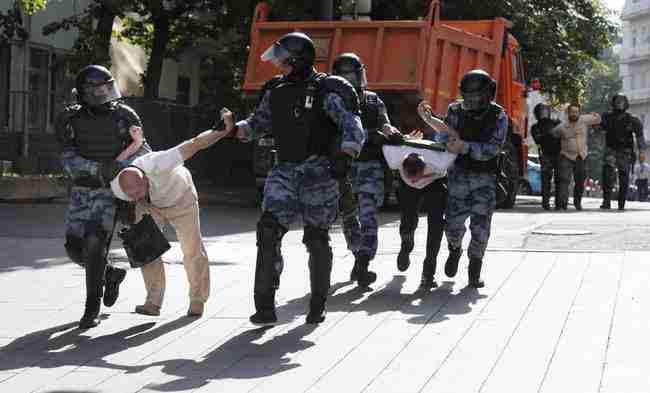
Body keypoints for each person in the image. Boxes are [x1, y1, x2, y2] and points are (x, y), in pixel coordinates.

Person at [229, 32, 366, 325]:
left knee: (316, 238)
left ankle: (317, 305)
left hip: (319, 172)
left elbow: (352, 125)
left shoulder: (326, 90)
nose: (279, 67)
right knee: (268, 231)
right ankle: (265, 306)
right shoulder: (275, 90)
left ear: (299, 60)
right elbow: (257, 124)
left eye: (283, 61)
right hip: (284, 170)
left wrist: (346, 154)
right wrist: (233, 129)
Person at [111, 110, 233, 317]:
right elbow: (125, 184)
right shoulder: (120, 185)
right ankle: (153, 302)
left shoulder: (160, 162)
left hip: (181, 199)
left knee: (192, 249)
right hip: (151, 206)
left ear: (146, 179)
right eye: (131, 196)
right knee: (145, 248)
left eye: (138, 193)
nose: (134, 197)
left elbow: (195, 144)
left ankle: (197, 299)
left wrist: (222, 131)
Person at [55, 65, 151, 328]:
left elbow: (143, 151)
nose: (104, 93)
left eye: (107, 87)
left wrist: (121, 168)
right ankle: (110, 274)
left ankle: (91, 308)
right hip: (81, 191)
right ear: (84, 93)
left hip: (109, 192)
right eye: (97, 90)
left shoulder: (125, 115)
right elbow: (66, 156)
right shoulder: (69, 119)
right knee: (75, 250)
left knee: (96, 242)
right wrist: (95, 168)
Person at [331, 52, 403, 287]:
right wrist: (372, 136)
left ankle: (364, 261)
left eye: (353, 74)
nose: (350, 79)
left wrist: (390, 132)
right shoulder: (332, 100)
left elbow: (384, 121)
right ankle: (357, 255)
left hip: (370, 165)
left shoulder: (372, 99)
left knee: (369, 214)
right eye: (344, 75)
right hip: (344, 165)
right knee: (349, 216)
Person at [434, 69, 507, 288]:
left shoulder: (499, 115)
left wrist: (465, 147)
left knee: (481, 227)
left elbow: (494, 148)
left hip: (484, 180)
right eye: (468, 95)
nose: (472, 100)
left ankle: (475, 268)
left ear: (488, 94)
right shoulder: (455, 110)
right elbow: (445, 133)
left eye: (477, 95)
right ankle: (454, 250)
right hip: (458, 178)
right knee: (453, 224)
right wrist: (443, 139)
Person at [395, 152, 447, 290]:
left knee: (436, 225)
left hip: (434, 183)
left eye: (416, 176)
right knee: (407, 219)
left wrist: (426, 176)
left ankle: (428, 273)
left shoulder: (439, 165)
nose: (414, 181)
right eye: (410, 176)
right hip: (407, 188)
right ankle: (406, 246)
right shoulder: (396, 157)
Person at [598, 93, 646, 210]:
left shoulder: (632, 119)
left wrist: (642, 151)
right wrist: (596, 122)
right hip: (611, 150)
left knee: (624, 177)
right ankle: (606, 200)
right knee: (607, 175)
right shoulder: (606, 117)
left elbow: (639, 136)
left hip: (625, 151)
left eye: (622, 101)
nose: (619, 103)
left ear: (626, 103)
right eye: (617, 101)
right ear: (613, 103)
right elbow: (599, 128)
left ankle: (621, 202)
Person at [551, 104, 601, 210]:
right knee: (564, 180)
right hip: (566, 156)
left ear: (579, 113)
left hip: (581, 156)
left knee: (580, 180)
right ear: (568, 113)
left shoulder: (584, 120)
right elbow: (553, 134)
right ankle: (562, 204)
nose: (574, 114)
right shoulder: (562, 127)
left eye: (576, 112)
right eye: (572, 112)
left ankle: (577, 202)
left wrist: (595, 114)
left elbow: (597, 119)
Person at [530, 103, 561, 210]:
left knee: (559, 179)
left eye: (544, 111)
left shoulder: (556, 123)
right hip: (545, 154)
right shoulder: (535, 127)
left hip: (558, 154)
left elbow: (562, 135)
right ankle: (545, 202)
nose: (543, 114)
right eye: (541, 112)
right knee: (545, 180)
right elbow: (538, 139)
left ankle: (559, 202)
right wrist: (550, 133)